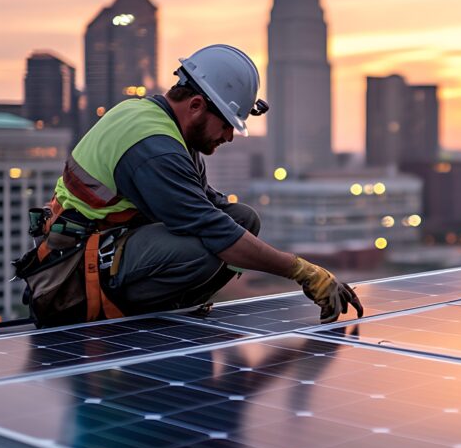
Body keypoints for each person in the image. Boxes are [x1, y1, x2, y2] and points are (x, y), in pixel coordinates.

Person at [25, 44, 361, 325]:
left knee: (244, 218)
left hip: (110, 246)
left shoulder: (161, 124)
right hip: (74, 278)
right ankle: (143, 318)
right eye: (226, 124)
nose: (229, 136)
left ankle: (173, 307)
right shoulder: (154, 149)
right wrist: (302, 271)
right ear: (197, 105)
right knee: (206, 249)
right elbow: (216, 232)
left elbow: (213, 208)